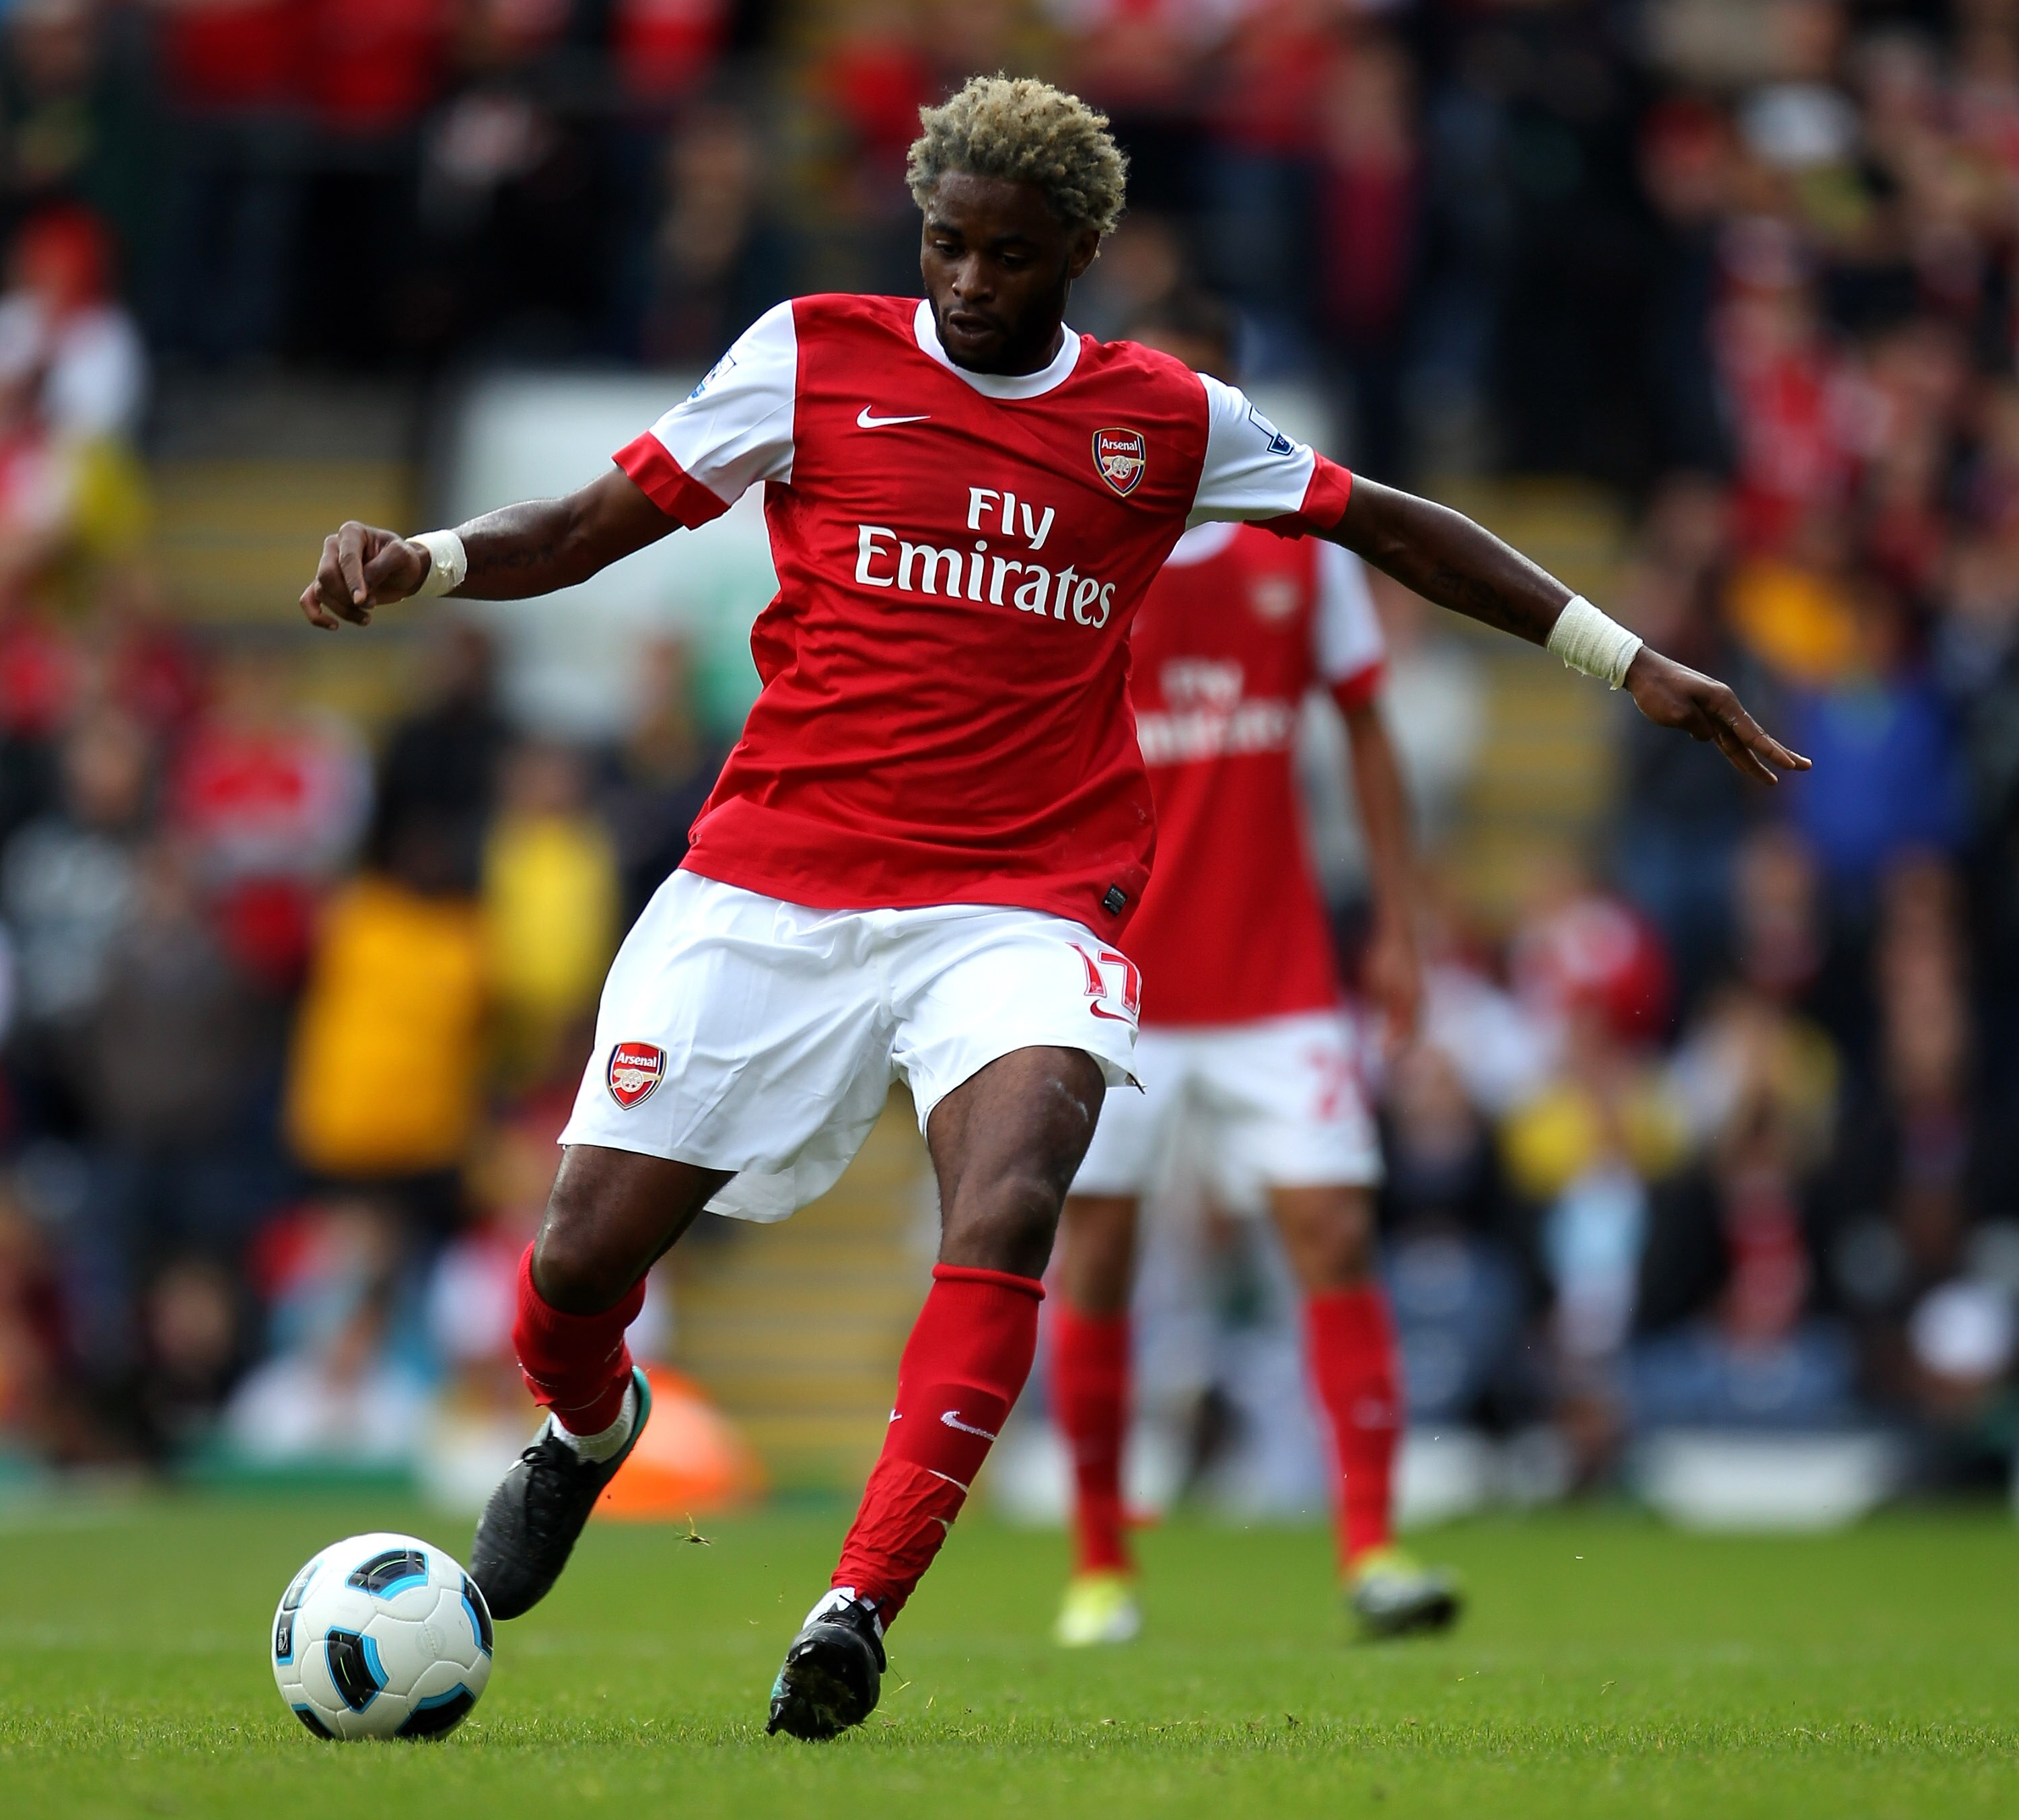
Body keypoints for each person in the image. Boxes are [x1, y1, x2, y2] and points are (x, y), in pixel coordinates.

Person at [296, 75, 1806, 1742]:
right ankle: (584, 1432)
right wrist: (422, 558)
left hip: (1021, 901)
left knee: (1013, 1196)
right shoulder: (811, 352)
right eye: (946, 245)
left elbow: (1398, 529)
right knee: (578, 1259)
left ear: (1080, 251)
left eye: (1010, 256)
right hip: (772, 878)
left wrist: (1630, 659)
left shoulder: (1163, 417)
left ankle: (854, 1605)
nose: (969, 284)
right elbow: (587, 527)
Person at [1045, 290, 1454, 1648]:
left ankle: (1375, 1549)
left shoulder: (1305, 551)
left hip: (1279, 974)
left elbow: (1368, 727)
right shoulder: (1095, 554)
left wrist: (1398, 920)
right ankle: (1102, 1563)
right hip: (1120, 979)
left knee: (1335, 1231)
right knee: (1095, 1256)